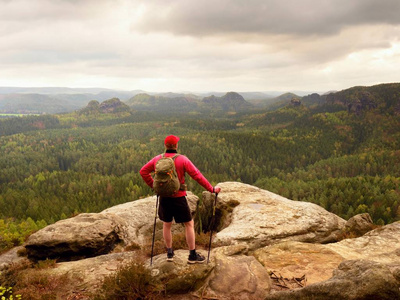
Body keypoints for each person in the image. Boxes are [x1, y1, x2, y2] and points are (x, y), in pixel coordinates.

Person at [140, 135, 221, 264]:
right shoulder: (182, 159)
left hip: (164, 198)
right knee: (189, 224)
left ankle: (169, 253)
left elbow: (143, 171)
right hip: (179, 198)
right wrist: (211, 189)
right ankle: (192, 255)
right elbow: (197, 176)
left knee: (167, 225)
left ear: (165, 146)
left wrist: (155, 187)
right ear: (176, 146)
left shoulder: (158, 159)